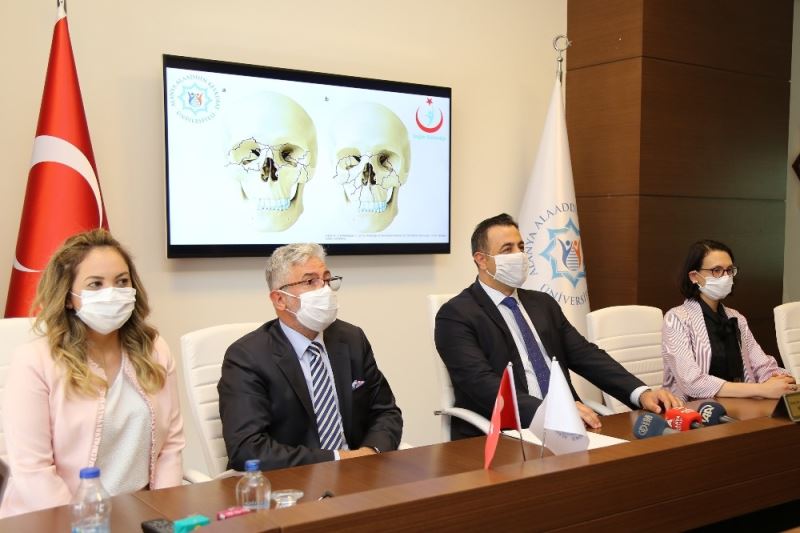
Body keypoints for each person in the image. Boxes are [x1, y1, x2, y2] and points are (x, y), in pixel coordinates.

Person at [435, 213, 681, 440]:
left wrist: (641, 393)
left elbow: (586, 355)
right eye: (507, 249)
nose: (519, 255)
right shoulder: (456, 315)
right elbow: (481, 384)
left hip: (570, 426)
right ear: (481, 260)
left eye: (521, 247)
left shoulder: (542, 304)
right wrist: (551, 411)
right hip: (506, 432)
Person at [0, 230, 185, 518]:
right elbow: (33, 471)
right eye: (95, 284)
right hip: (56, 520)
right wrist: (85, 523)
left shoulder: (154, 351)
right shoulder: (35, 361)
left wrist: (163, 514)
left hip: (138, 514)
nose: (112, 292)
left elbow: (170, 447)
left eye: (121, 282)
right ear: (68, 297)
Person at [218, 243, 402, 471]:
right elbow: (247, 448)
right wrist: (338, 459)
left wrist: (370, 453)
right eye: (310, 282)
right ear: (279, 299)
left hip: (359, 472)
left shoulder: (352, 338)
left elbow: (385, 412)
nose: (324, 290)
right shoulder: (246, 357)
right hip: (290, 480)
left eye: (326, 280)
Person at [662, 240, 796, 401]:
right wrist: (761, 389)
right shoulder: (676, 318)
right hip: (694, 408)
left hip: (740, 404)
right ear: (694, 276)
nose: (725, 277)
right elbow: (692, 382)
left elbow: (761, 365)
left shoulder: (735, 317)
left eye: (729, 270)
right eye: (716, 270)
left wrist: (778, 379)